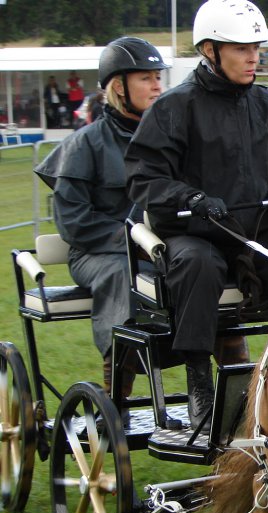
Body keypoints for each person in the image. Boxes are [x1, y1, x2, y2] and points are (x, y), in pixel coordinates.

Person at [124, 0, 268, 432]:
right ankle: (199, 382)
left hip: (257, 232)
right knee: (199, 263)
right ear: (210, 50)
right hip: (195, 234)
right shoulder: (172, 108)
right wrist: (192, 198)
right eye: (241, 49)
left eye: (257, 48)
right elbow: (144, 179)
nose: (253, 58)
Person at [34, 37, 169, 408]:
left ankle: (223, 395)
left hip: (159, 249)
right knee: (119, 275)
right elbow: (74, 222)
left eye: (158, 76)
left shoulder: (170, 138)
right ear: (118, 86)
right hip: (98, 254)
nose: (157, 85)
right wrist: (132, 241)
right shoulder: (85, 144)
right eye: (146, 78)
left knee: (207, 268)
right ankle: (116, 400)